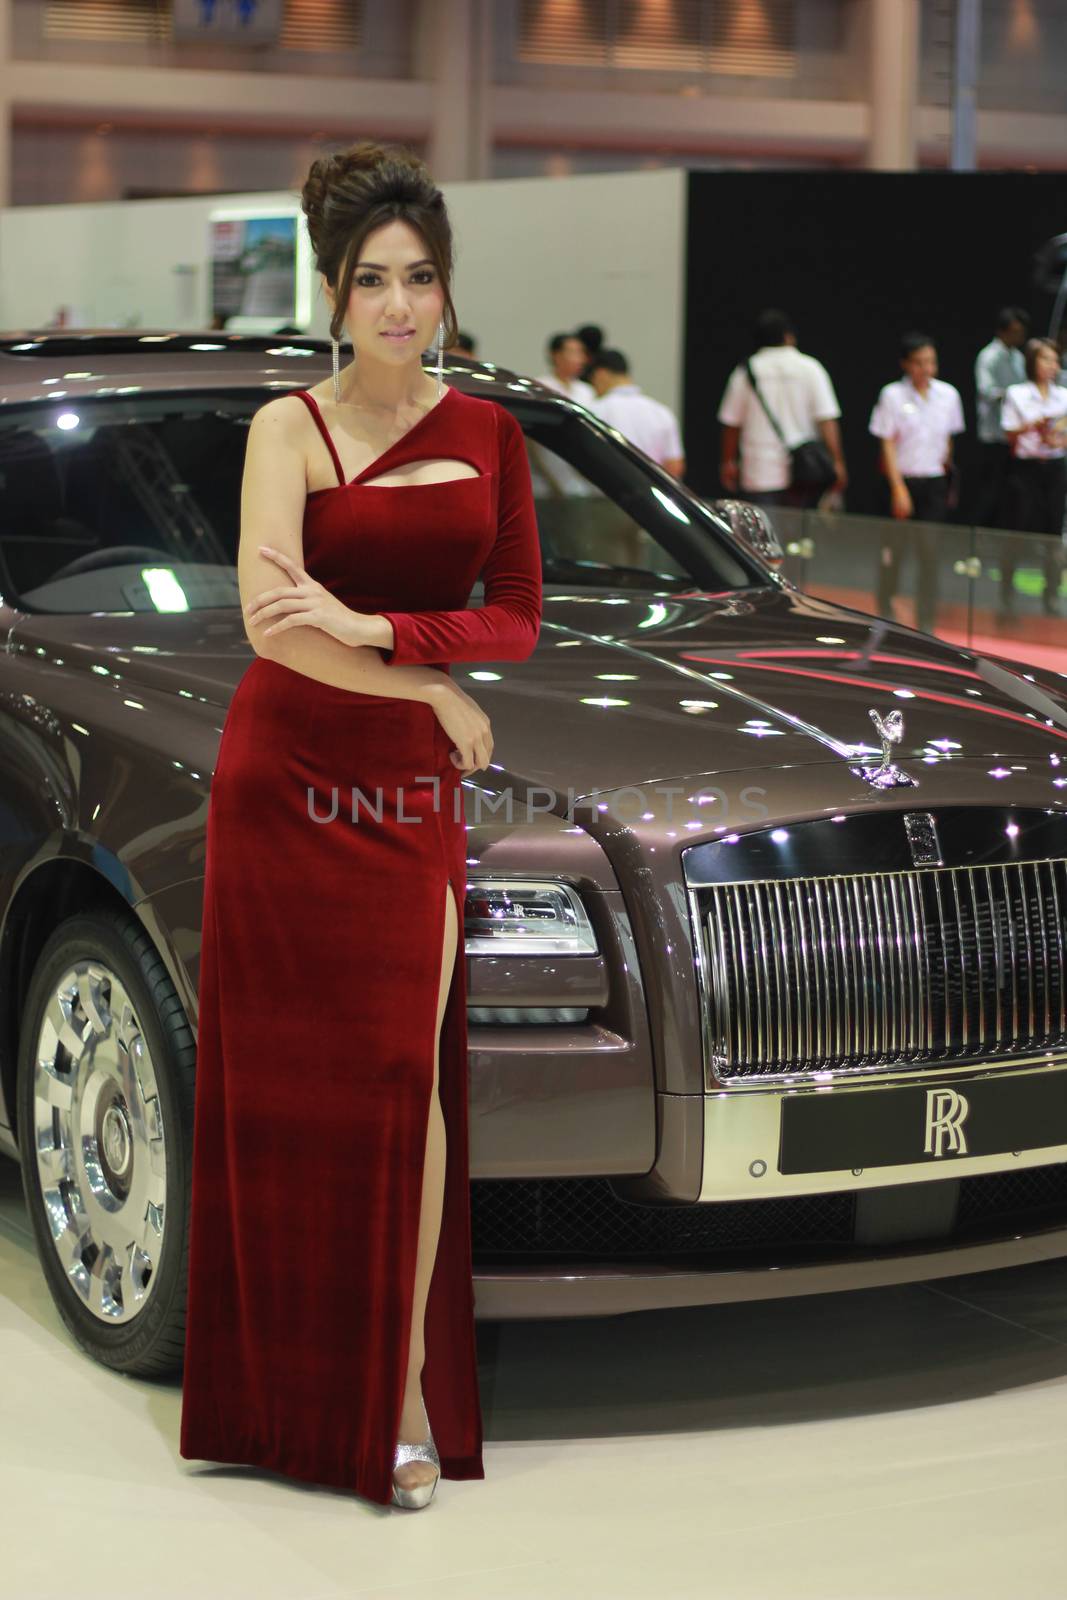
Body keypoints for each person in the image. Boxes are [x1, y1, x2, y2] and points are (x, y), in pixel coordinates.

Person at [178, 139, 542, 1512]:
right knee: (290, 1099)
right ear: (332, 293)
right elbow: (275, 625)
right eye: (373, 280)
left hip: (400, 797)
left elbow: (516, 613)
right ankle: (283, 1403)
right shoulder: (291, 427)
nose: (399, 305)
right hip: (287, 785)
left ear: (444, 292)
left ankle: (393, 1401)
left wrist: (398, 644)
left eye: (422, 279)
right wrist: (428, 683)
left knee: (404, 1081)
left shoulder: (489, 433)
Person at [868, 332, 966, 634]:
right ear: (906, 364)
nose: (927, 369)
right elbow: (886, 443)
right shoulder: (892, 395)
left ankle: (926, 618)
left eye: (931, 362)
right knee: (894, 550)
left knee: (930, 552)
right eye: (919, 363)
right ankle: (885, 607)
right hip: (902, 481)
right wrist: (898, 487)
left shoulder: (948, 394)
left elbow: (949, 437)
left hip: (934, 483)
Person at [716, 308, 846, 511]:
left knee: (763, 538)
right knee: (800, 537)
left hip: (759, 470)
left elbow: (732, 423)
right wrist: (837, 462)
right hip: (805, 471)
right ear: (788, 336)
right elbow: (827, 419)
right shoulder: (810, 368)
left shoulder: (746, 371)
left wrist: (728, 462)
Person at [1000, 336, 1067, 615]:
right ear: (1032, 362)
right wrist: (1030, 425)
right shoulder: (1016, 393)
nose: (1052, 365)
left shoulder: (1063, 395)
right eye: (1046, 359)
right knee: (1018, 528)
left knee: (1053, 530)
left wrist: (1059, 439)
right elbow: (1009, 433)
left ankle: (1050, 594)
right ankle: (1007, 593)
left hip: (1054, 468)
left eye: (1055, 360)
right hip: (1024, 468)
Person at [587, 347, 685, 476]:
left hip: (605, 492)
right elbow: (674, 465)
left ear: (601, 374)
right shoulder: (661, 411)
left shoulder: (594, 410)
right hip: (650, 491)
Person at [974, 306, 1029, 529]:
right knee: (990, 493)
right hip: (993, 435)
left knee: (1013, 495)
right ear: (1002, 331)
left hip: (1015, 437)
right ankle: (975, 544)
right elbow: (986, 391)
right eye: (1015, 331)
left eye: (1022, 331)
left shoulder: (1019, 357)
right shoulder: (989, 356)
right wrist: (1015, 396)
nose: (1019, 336)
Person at [536, 331, 596, 407]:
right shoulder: (540, 387)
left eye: (581, 353)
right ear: (556, 355)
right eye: (574, 353)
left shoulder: (586, 390)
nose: (581, 359)